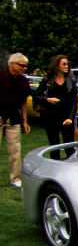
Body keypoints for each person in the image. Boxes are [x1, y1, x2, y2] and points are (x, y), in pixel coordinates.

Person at [33, 55, 78, 160]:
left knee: (70, 147)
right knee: (54, 146)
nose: (67, 66)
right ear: (57, 65)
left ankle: (70, 170)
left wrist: (70, 118)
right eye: (64, 64)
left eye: (67, 64)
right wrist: (48, 100)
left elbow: (74, 102)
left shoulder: (70, 81)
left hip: (66, 118)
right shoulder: (48, 80)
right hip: (51, 118)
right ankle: (54, 170)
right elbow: (36, 96)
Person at [0, 53, 32, 187]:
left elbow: (23, 102)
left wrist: (25, 120)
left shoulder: (23, 81)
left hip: (14, 118)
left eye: (25, 66)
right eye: (22, 66)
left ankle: (15, 178)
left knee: (15, 150)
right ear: (12, 64)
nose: (24, 68)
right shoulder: (0, 76)